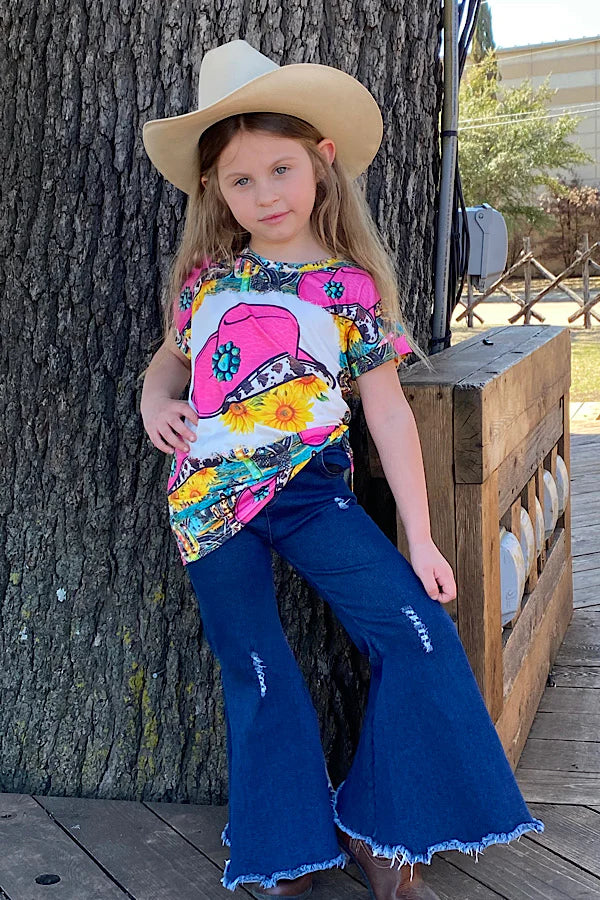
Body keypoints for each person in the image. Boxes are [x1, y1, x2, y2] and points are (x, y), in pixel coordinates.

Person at [139, 39, 544, 900]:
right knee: (256, 670)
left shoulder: (350, 289)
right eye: (240, 181)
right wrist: (154, 404)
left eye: (279, 170)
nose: (264, 196)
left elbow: (387, 412)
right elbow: (168, 364)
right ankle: (285, 845)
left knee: (419, 634)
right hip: (209, 502)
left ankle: (379, 824)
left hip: (313, 492)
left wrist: (423, 537)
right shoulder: (208, 279)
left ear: (321, 160)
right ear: (215, 189)